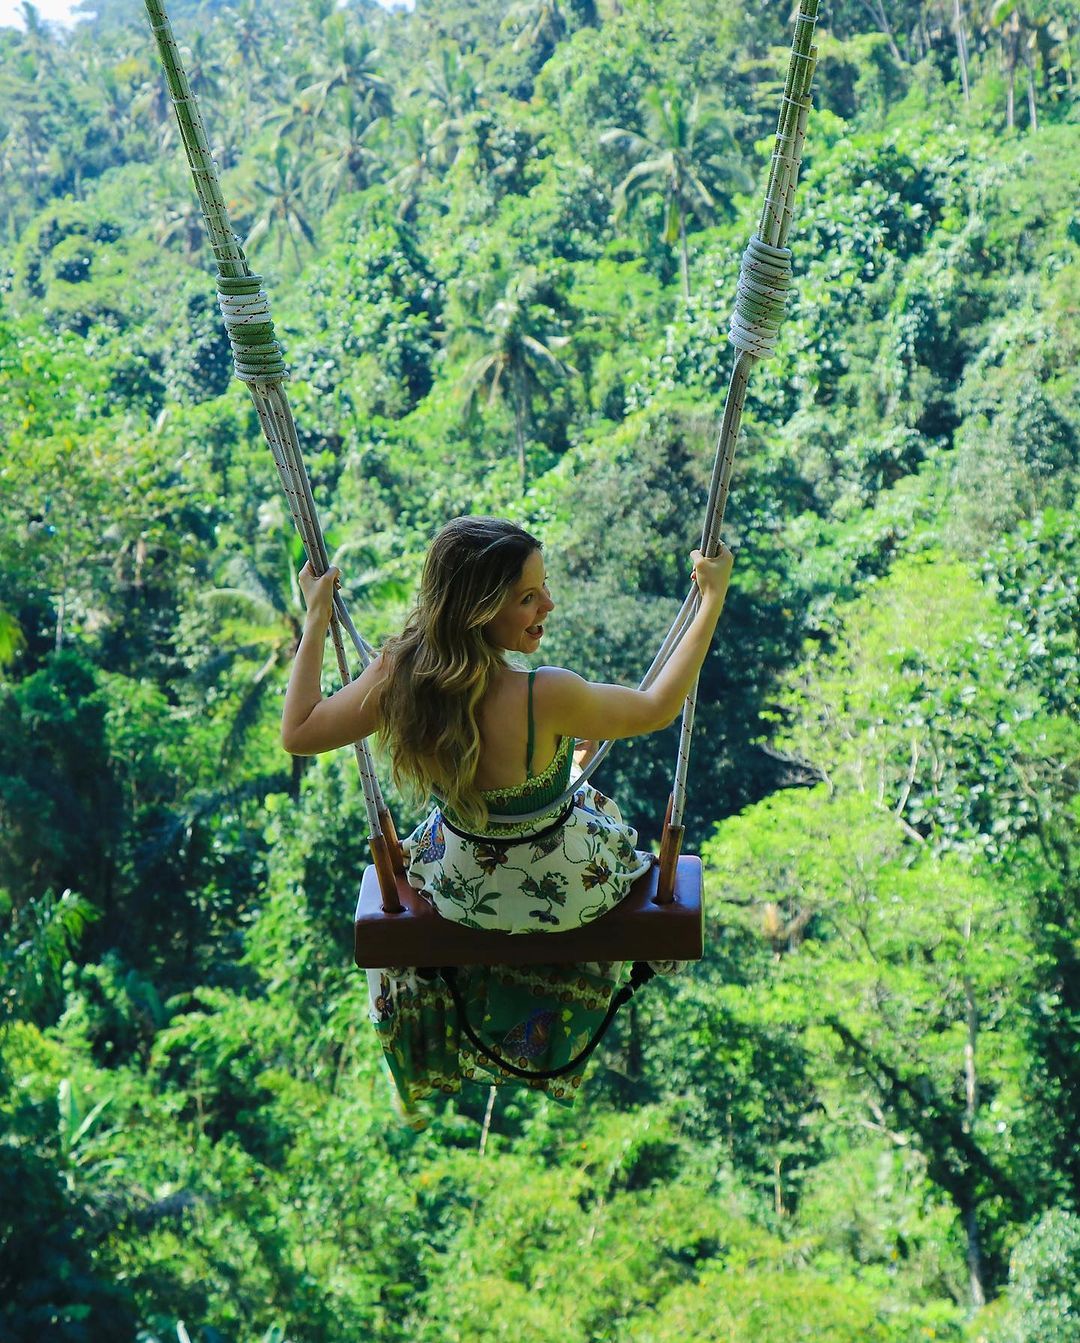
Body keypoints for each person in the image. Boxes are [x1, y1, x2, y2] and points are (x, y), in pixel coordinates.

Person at [281, 516, 732, 1118]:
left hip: (461, 892)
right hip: (570, 894)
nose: (548, 605)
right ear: (479, 611)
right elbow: (656, 707)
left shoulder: (399, 678)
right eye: (528, 598)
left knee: (520, 806)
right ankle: (558, 779)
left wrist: (316, 615)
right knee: (575, 807)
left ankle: (555, 779)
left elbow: (299, 732)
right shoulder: (547, 695)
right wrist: (711, 599)